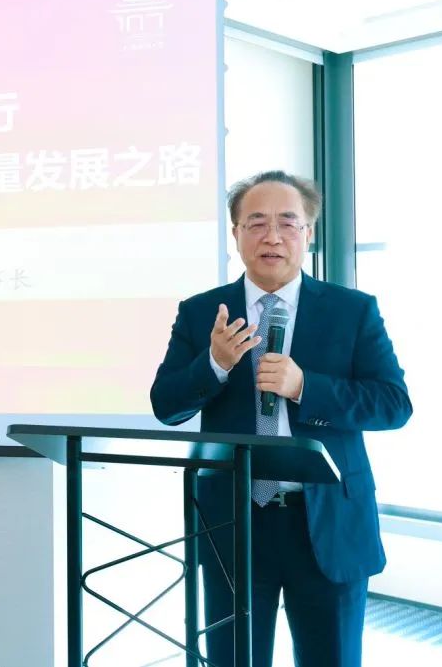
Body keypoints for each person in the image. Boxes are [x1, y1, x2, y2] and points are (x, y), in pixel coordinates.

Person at [150, 170, 412, 667]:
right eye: (256, 223)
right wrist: (214, 364)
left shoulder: (352, 311)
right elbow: (167, 405)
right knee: (233, 658)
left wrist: (306, 387)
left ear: (308, 233)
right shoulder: (202, 312)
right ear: (236, 234)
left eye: (287, 223)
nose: (272, 236)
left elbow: (393, 404)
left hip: (328, 519)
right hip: (233, 520)